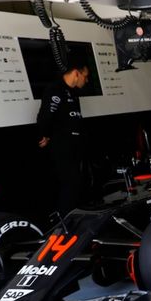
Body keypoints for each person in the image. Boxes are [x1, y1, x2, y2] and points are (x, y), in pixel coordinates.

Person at [38, 54, 90, 215]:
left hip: (75, 146)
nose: (86, 80)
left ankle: (76, 218)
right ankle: (64, 222)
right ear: (76, 73)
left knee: (79, 184)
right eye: (85, 76)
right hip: (62, 147)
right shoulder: (55, 89)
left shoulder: (73, 93)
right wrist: (43, 135)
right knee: (70, 184)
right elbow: (45, 115)